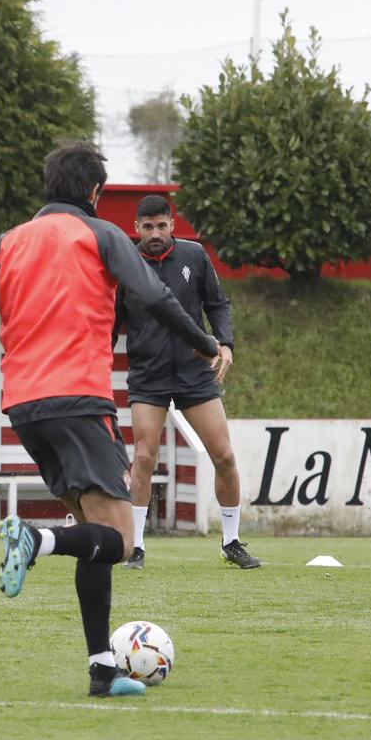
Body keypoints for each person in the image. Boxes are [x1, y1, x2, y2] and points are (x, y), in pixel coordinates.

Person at [0, 142, 217, 698]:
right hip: (81, 401)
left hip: (25, 408)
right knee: (119, 538)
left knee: (92, 537)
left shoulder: (8, 242)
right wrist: (205, 342)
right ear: (94, 193)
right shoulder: (103, 234)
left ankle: (102, 670)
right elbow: (155, 298)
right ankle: (36, 541)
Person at [113, 194, 259, 570]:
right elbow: (109, 323)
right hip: (149, 375)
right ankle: (137, 547)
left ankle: (231, 543)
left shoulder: (194, 257)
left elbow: (217, 304)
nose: (156, 233)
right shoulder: (123, 265)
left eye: (162, 225)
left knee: (224, 456)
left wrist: (224, 343)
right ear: (136, 228)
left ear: (172, 224)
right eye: (148, 227)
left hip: (196, 373)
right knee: (144, 457)